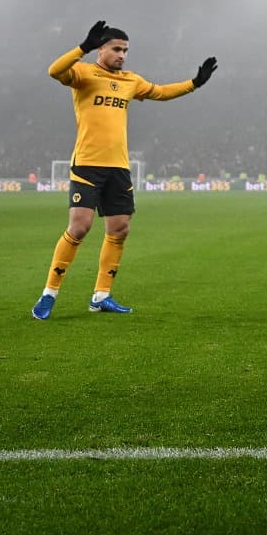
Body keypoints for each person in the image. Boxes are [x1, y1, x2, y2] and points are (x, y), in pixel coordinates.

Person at [31, 22, 216, 319]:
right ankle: (49, 294)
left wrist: (194, 83)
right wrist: (82, 47)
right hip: (88, 164)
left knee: (119, 229)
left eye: (126, 50)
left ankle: (101, 295)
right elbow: (54, 71)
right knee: (79, 227)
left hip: (118, 166)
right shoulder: (83, 74)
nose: (122, 55)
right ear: (101, 49)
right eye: (116, 49)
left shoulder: (131, 81)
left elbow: (162, 92)